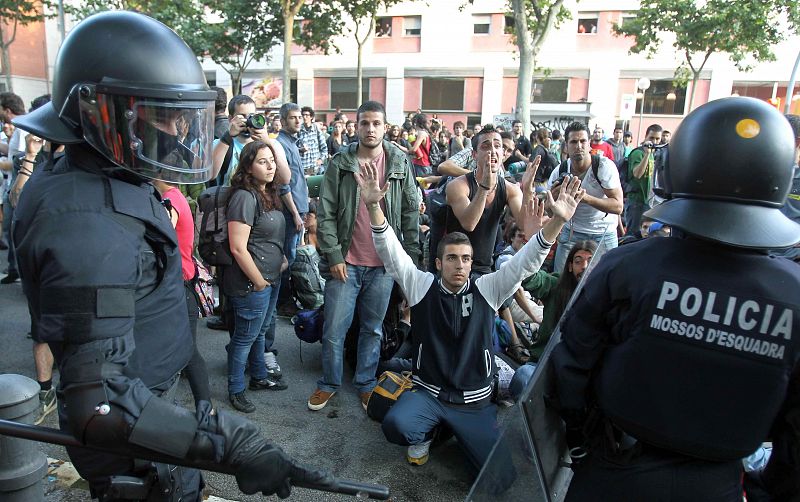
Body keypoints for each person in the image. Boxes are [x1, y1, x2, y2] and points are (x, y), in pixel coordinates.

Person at [11, 12, 329, 500]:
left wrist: (194, 388)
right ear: (100, 112)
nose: (179, 130)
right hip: (137, 449)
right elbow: (102, 406)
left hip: (155, 418)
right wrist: (233, 444)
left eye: (183, 115)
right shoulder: (85, 223)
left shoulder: (105, 175)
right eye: (163, 115)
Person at [551, 97, 800, 501]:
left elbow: (572, 364)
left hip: (614, 469)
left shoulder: (627, 267)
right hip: (718, 482)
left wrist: (579, 439)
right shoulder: (794, 295)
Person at [355, 159, 583, 473]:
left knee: (500, 478)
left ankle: (457, 431)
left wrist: (557, 221)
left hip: (474, 403)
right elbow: (390, 251)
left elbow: (525, 264)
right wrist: (372, 206)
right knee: (395, 425)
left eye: (465, 259)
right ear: (438, 264)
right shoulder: (422, 285)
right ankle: (429, 432)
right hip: (430, 394)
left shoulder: (488, 288)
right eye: (451, 258)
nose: (459, 265)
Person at [310, 100, 420, 412]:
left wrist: (408, 265)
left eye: (376, 123)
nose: (370, 129)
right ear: (355, 127)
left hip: (383, 266)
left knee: (372, 329)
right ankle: (329, 383)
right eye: (364, 123)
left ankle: (365, 383)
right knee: (334, 329)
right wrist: (333, 255)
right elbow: (326, 212)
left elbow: (410, 214)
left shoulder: (399, 162)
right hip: (346, 262)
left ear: (385, 127)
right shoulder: (340, 162)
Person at [226, 141, 289, 412]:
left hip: (270, 278)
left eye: (271, 160)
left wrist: (281, 259)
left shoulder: (268, 192)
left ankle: (260, 378)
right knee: (244, 338)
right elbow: (238, 248)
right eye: (263, 161)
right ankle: (236, 389)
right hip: (253, 282)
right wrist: (260, 281)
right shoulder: (244, 196)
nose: (270, 165)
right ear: (248, 167)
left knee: (260, 332)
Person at [152, 179, 212, 408]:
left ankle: (207, 410)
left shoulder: (171, 200)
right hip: (179, 281)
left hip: (180, 283)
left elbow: (163, 234)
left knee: (187, 350)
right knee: (183, 349)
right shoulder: (173, 197)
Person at [548, 122, 623, 273]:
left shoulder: (603, 166)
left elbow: (618, 206)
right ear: (566, 146)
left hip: (604, 233)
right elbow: (549, 212)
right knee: (560, 280)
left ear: (590, 144)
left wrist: (585, 198)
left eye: (583, 141)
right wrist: (554, 200)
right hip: (571, 233)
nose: (579, 146)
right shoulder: (560, 171)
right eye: (574, 142)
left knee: (606, 281)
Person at [274, 102, 308, 317]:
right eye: (293, 117)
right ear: (283, 120)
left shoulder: (293, 143)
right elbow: (283, 185)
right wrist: (295, 214)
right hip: (289, 212)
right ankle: (282, 302)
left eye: (300, 117)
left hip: (299, 208)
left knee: (292, 256)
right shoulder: (280, 145)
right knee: (287, 257)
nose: (298, 120)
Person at [624, 124, 663, 235]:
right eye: (651, 138)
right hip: (636, 202)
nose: (654, 141)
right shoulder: (638, 153)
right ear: (646, 137)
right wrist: (646, 155)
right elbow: (637, 174)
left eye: (657, 139)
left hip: (648, 202)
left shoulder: (653, 154)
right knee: (633, 235)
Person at [299, 106, 328, 175]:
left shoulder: (316, 129)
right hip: (303, 166)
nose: (304, 117)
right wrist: (301, 149)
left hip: (315, 167)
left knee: (315, 185)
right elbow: (293, 148)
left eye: (307, 115)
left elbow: (324, 147)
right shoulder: (299, 130)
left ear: (311, 117)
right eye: (303, 115)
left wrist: (321, 159)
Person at [409, 113, 433, 177]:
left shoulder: (421, 133)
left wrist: (409, 150)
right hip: (424, 164)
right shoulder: (426, 133)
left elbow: (414, 149)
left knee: (421, 185)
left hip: (421, 164)